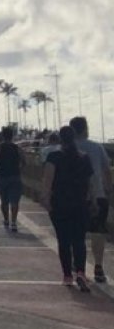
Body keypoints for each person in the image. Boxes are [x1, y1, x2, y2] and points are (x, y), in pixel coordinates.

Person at [43, 125, 94, 291]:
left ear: (60, 139)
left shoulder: (53, 156)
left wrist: (47, 200)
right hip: (80, 204)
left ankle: (67, 276)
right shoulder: (83, 157)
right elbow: (90, 183)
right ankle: (80, 271)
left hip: (60, 204)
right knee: (79, 240)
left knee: (63, 240)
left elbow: (48, 180)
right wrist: (90, 200)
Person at [70, 116, 111, 284]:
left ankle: (78, 265)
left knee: (76, 233)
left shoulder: (66, 148)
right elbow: (106, 170)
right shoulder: (97, 147)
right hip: (99, 195)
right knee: (98, 232)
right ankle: (99, 267)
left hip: (74, 198)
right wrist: (108, 190)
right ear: (86, 128)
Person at [0, 126, 23, 233]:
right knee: (14, 201)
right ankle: (14, 222)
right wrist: (19, 168)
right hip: (15, 176)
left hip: (2, 177)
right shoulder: (17, 148)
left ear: (2, 136)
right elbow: (24, 162)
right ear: (12, 136)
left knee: (4, 200)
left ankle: (6, 220)